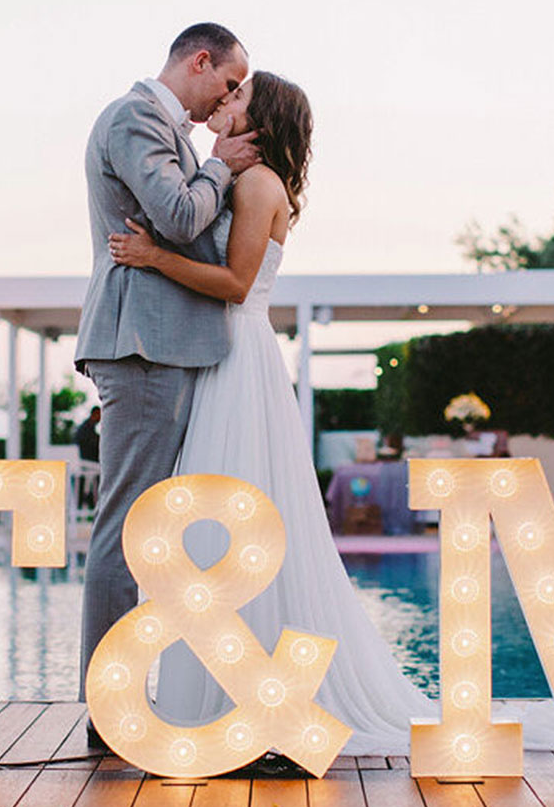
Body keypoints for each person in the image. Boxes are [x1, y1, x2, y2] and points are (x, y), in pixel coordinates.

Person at [106, 72, 434, 754]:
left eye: (238, 98)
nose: (225, 102)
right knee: (212, 527)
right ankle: (229, 695)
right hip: (222, 356)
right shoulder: (237, 176)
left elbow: (235, 284)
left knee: (230, 516)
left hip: (240, 360)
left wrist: (153, 257)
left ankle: (249, 699)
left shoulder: (258, 185)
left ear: (259, 120)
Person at [74, 24, 259, 729]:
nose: (227, 100)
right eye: (228, 83)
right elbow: (180, 217)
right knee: (128, 527)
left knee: (144, 527)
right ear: (200, 61)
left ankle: (120, 699)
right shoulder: (135, 117)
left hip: (165, 346)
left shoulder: (160, 125)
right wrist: (219, 167)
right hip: (144, 345)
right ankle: (109, 708)